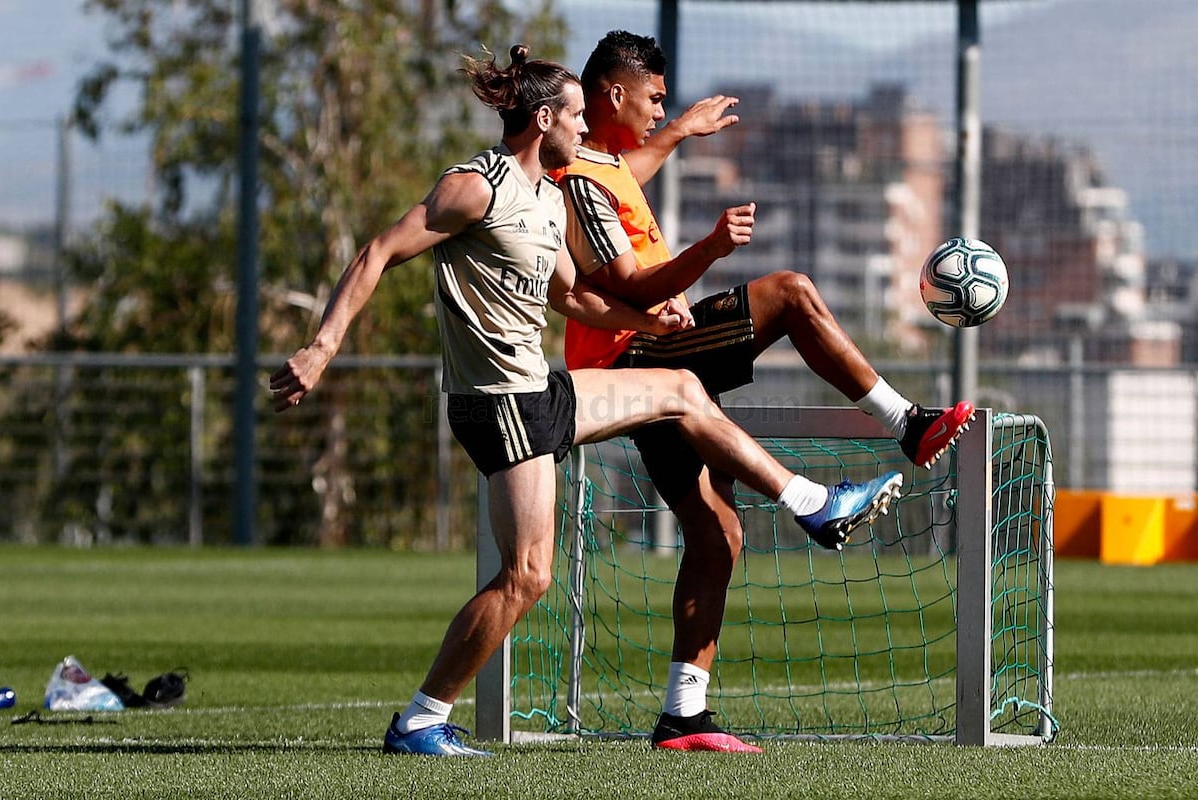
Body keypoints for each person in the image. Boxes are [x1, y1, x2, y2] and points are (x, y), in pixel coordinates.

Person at [269, 45, 902, 757]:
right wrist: (320, 348)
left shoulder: (548, 197)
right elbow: (377, 252)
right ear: (544, 119)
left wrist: (647, 322)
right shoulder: (477, 186)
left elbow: (572, 296)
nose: (585, 128)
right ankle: (420, 719)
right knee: (527, 576)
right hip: (497, 403)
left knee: (681, 390)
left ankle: (813, 503)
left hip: (537, 392)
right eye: (574, 114)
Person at [552, 30, 974, 753]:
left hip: (641, 356)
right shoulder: (582, 181)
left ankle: (684, 716)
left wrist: (682, 130)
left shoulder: (604, 163)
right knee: (788, 294)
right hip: (633, 358)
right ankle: (905, 423)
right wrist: (709, 250)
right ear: (613, 95)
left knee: (719, 534)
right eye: (654, 99)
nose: (661, 111)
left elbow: (632, 169)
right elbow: (624, 283)